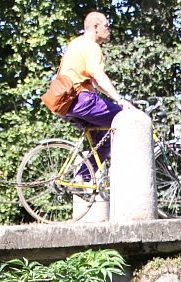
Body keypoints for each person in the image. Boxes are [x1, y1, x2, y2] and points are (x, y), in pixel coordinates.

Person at [57, 11, 136, 178]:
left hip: (66, 102)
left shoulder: (76, 44)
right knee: (126, 119)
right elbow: (98, 75)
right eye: (106, 26)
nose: (109, 30)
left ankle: (82, 177)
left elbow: (94, 81)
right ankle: (129, 174)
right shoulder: (91, 46)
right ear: (95, 27)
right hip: (82, 99)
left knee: (104, 143)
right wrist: (120, 100)